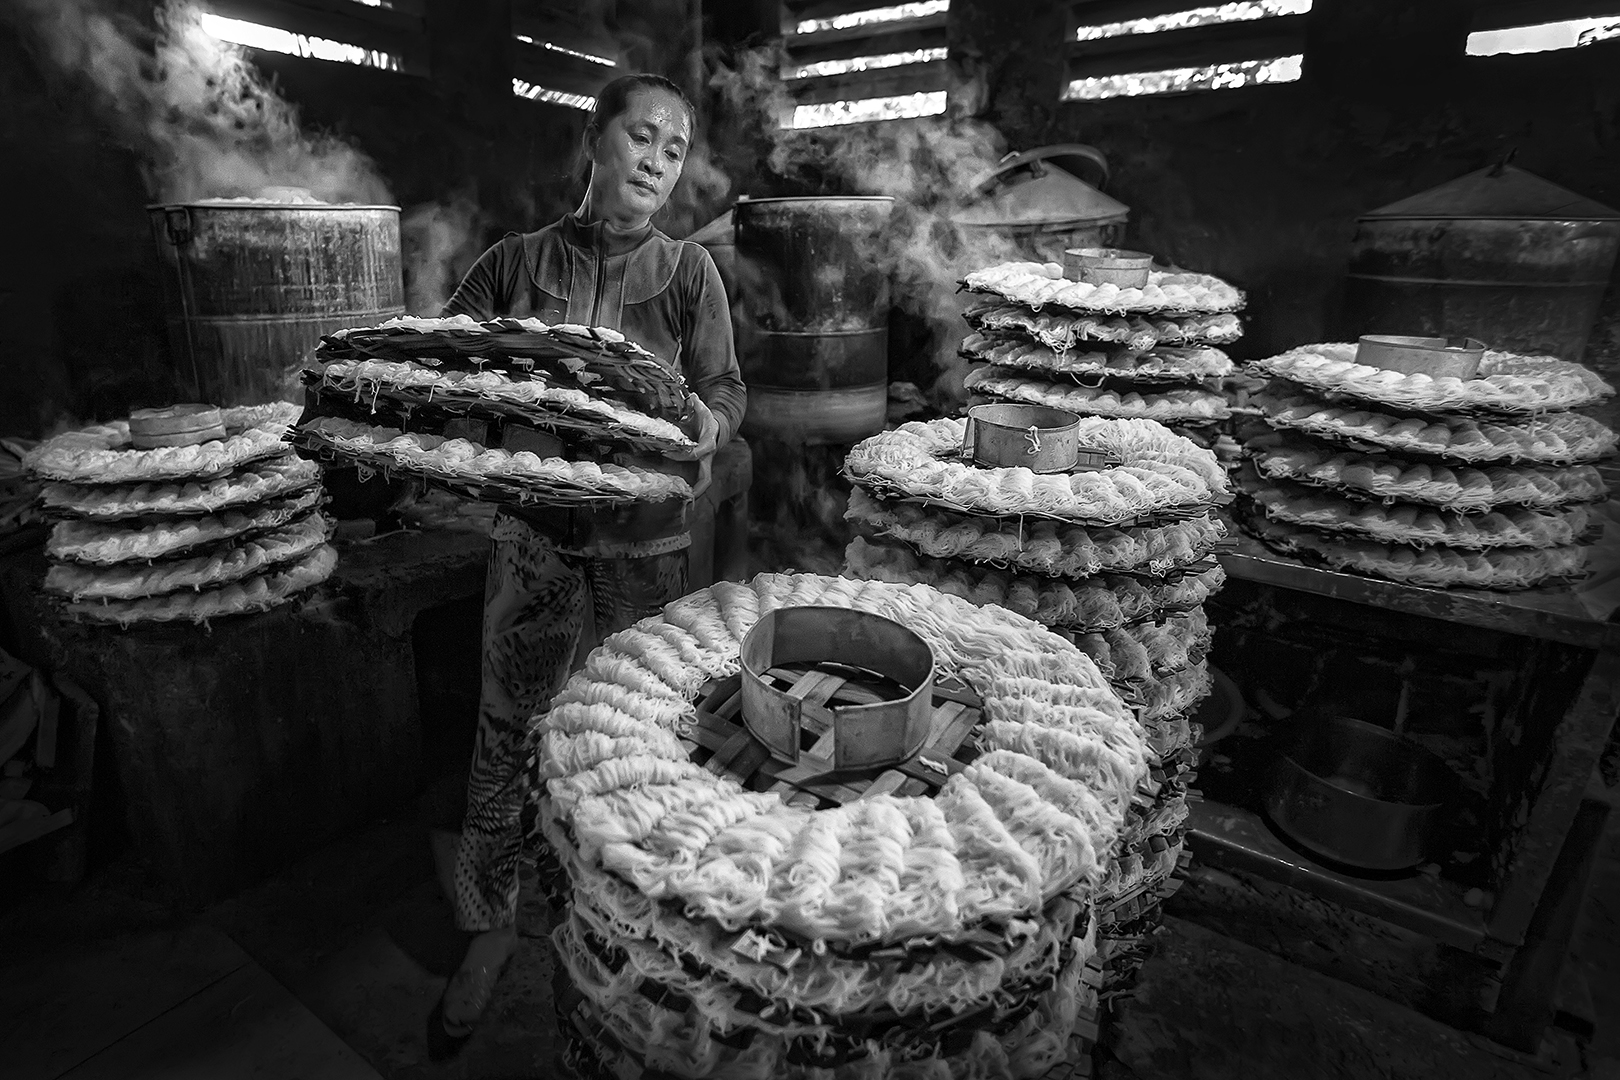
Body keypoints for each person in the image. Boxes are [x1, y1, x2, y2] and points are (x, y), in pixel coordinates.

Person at [429, 72, 745, 1042]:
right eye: (642, 136)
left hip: (644, 546)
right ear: (595, 142)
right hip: (534, 542)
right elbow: (445, 369)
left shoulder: (690, 275)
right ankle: (488, 926)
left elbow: (727, 398)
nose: (658, 160)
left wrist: (703, 424)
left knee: (633, 738)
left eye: (675, 147)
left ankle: (622, 928)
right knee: (507, 731)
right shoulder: (514, 267)